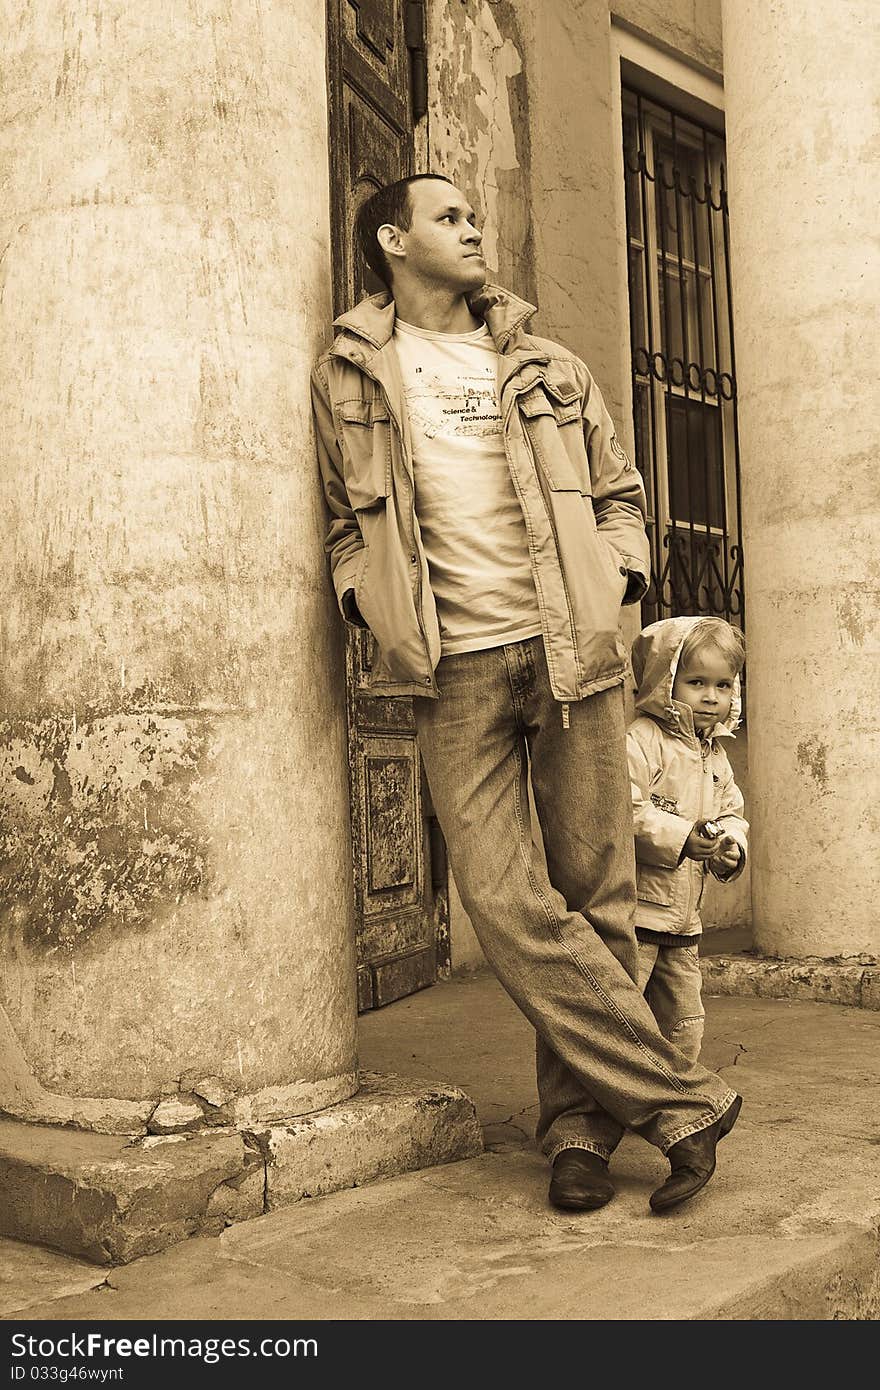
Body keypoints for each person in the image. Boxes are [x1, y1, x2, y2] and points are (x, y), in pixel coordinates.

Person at [311, 172, 742, 1215]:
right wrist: (365, 601)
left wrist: (616, 580)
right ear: (393, 239)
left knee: (596, 899)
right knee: (507, 903)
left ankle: (579, 1134)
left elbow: (619, 495)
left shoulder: (547, 361)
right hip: (451, 669)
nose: (471, 230)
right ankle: (681, 1100)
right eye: (449, 217)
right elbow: (340, 521)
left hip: (572, 655)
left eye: (473, 214)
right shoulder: (351, 375)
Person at [627, 616, 749, 1064]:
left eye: (723, 685)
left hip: (684, 923)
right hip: (638, 916)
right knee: (625, 1016)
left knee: (685, 1022)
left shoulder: (714, 754)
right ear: (664, 682)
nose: (711, 697)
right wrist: (681, 838)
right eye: (696, 682)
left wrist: (729, 847)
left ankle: (675, 1096)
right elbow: (627, 812)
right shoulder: (641, 741)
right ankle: (617, 1098)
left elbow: (730, 812)